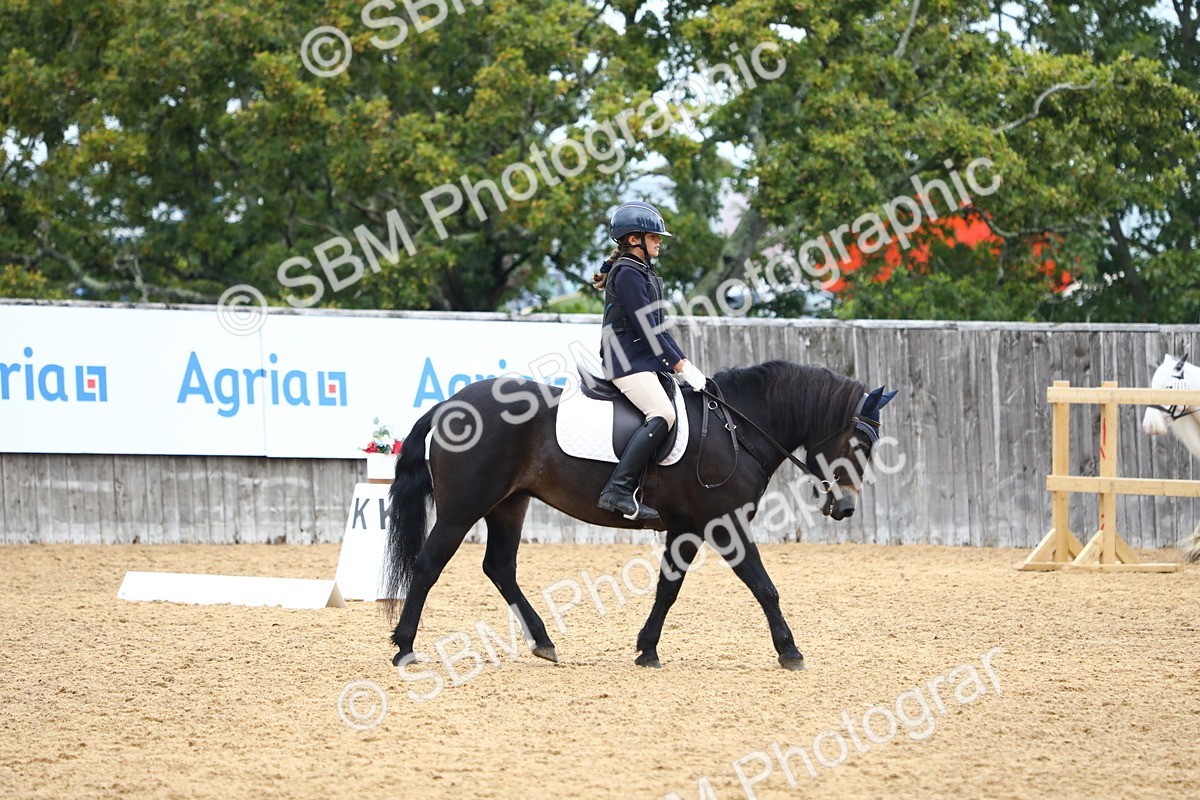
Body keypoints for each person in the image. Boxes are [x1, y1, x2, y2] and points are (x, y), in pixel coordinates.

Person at [592, 200, 707, 521]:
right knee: (663, 413)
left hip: (642, 359)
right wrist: (681, 366)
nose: (659, 242)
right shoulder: (627, 273)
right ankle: (618, 488)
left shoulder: (642, 271)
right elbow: (645, 326)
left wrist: (682, 361)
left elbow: (657, 328)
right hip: (625, 360)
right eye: (654, 237)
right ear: (634, 240)